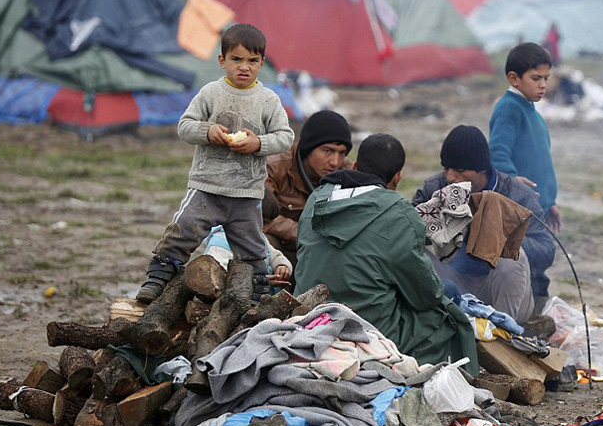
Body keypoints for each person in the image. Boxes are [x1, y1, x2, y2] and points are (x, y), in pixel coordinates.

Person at [136, 23, 295, 303]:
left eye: (252, 61)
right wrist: (207, 131)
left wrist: (258, 143)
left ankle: (255, 297)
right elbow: (185, 126)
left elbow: (285, 137)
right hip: (207, 187)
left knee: (253, 249)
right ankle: (157, 280)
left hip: (246, 194)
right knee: (182, 230)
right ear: (222, 61)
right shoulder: (211, 93)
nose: (244, 67)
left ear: (262, 63)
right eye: (236, 59)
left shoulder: (268, 100)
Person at [295, 134, 479, 374]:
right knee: (446, 314)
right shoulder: (398, 213)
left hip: (310, 322)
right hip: (369, 332)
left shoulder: (316, 199)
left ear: (355, 166)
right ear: (397, 178)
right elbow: (425, 295)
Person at [413, 125, 556, 320]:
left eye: (460, 170)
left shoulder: (517, 194)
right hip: (455, 286)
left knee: (511, 256)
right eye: (446, 168)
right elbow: (408, 230)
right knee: (416, 248)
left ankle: (501, 332)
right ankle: (435, 320)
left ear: (482, 170)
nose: (450, 177)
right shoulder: (435, 187)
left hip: (504, 292)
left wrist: (499, 237)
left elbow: (546, 250)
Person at [262, 110, 353, 269]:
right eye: (328, 150)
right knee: (263, 241)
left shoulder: (348, 173)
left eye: (342, 153)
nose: (335, 162)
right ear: (308, 148)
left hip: (327, 254)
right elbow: (262, 220)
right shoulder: (275, 167)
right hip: (285, 251)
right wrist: (307, 234)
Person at [488, 42, 561, 235]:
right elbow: (497, 152)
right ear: (514, 78)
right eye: (536, 78)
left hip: (538, 207)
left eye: (546, 78)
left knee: (539, 259)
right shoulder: (509, 108)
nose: (543, 85)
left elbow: (541, 161)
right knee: (524, 261)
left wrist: (549, 202)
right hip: (519, 208)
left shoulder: (533, 113)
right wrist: (511, 181)